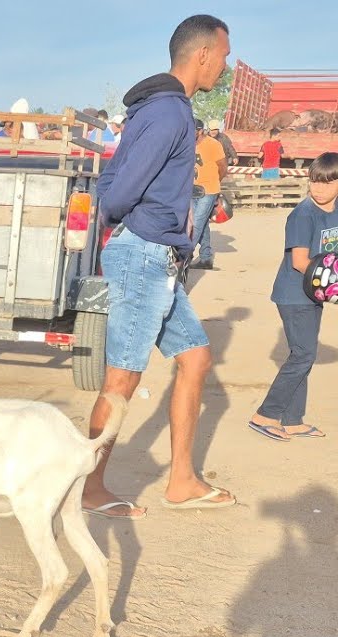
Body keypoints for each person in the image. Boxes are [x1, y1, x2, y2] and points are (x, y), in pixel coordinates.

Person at [85, 14, 237, 518]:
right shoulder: (170, 114)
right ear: (202, 55)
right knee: (122, 379)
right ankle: (87, 487)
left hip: (159, 258)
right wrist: (145, 221)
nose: (225, 65)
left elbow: (110, 179)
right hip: (145, 257)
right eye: (223, 56)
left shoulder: (161, 109)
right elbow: (118, 192)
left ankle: (182, 481)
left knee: (195, 358)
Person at [249, 153, 338, 441]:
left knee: (303, 354)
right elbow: (300, 262)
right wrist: (334, 284)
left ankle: (292, 420)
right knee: (303, 355)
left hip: (313, 293)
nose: (319, 188)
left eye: (327, 182)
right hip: (294, 294)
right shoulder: (303, 215)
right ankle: (265, 414)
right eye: (314, 182)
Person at [191, 118, 227, 270]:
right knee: (202, 224)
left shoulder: (213, 144)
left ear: (200, 131)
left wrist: (215, 182)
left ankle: (184, 256)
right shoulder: (188, 144)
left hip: (209, 190)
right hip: (192, 189)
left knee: (196, 223)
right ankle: (206, 258)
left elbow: (223, 167)